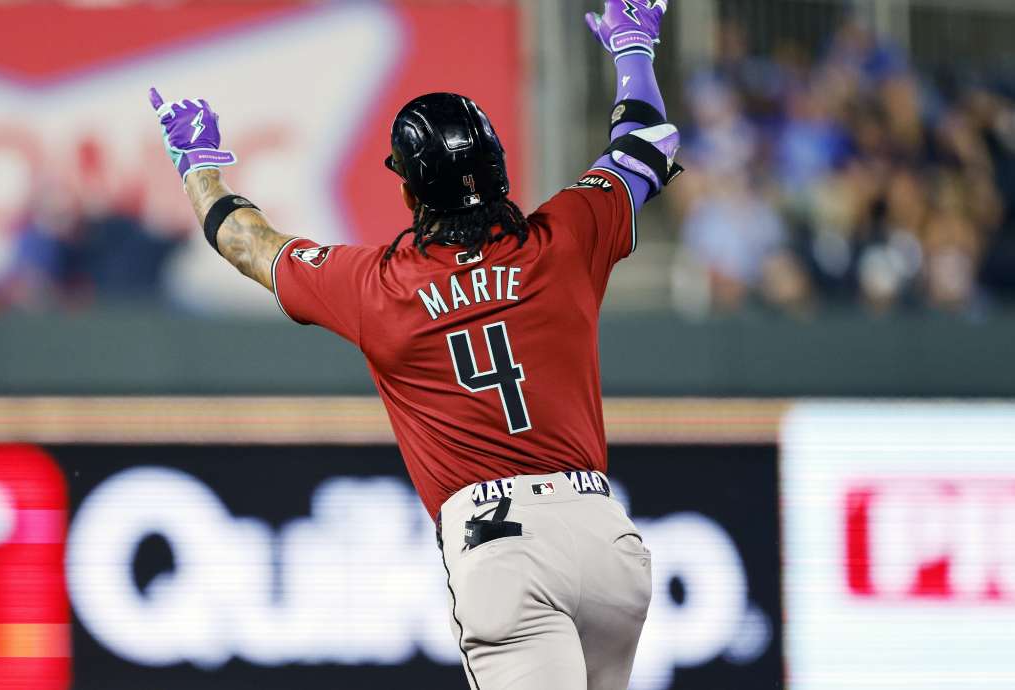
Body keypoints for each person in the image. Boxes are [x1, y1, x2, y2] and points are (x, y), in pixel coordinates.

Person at [147, 2, 679, 687]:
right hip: (604, 537)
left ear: (410, 189)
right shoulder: (564, 238)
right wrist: (633, 45)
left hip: (501, 545)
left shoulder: (379, 287)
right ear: (498, 166)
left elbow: (247, 244)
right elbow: (649, 142)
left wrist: (200, 164)